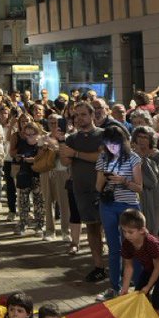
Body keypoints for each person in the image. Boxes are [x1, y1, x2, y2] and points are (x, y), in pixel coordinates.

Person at [94, 123, 142, 302]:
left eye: (115, 143)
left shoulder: (133, 158)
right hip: (108, 205)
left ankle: (139, 286)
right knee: (114, 248)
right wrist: (105, 179)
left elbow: (139, 187)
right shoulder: (103, 157)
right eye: (108, 143)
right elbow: (98, 187)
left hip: (128, 207)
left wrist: (123, 181)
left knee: (133, 247)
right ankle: (114, 286)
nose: (112, 147)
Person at [59, 102, 107, 282]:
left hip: (104, 190)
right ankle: (98, 266)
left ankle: (119, 267)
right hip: (81, 190)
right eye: (76, 116)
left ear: (92, 115)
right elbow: (65, 162)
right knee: (92, 228)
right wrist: (62, 144)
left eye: (83, 115)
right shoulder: (71, 138)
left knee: (112, 230)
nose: (79, 118)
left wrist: (75, 153)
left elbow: (102, 157)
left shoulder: (104, 135)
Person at [119, 208, 159, 318]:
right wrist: (125, 289)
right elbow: (128, 267)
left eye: (130, 232)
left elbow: (158, 267)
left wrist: (148, 286)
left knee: (157, 299)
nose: (127, 235)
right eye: (124, 231)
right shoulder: (127, 244)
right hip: (149, 267)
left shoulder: (151, 243)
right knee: (139, 294)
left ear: (142, 230)